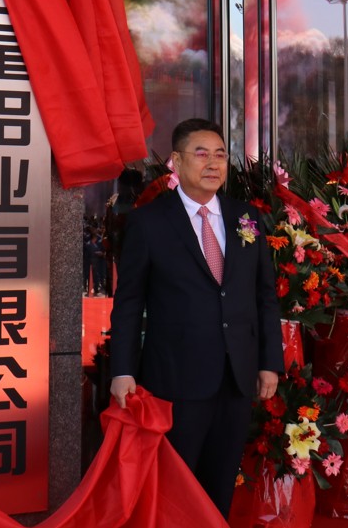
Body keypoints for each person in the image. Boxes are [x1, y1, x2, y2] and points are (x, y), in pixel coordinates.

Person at [109, 118, 283, 518]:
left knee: (220, 485)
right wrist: (122, 370)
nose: (213, 163)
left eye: (220, 154)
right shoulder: (149, 222)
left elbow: (264, 296)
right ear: (176, 160)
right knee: (175, 489)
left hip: (236, 379)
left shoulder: (246, 217)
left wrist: (269, 362)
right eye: (201, 154)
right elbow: (129, 302)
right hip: (176, 379)